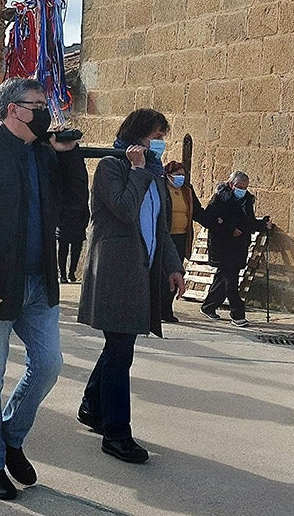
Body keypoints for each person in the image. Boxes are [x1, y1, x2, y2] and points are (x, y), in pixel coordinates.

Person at [0, 77, 88, 501]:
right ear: (12, 109)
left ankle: (11, 436)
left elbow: (73, 208)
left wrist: (67, 158)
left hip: (37, 282)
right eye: (37, 105)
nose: (45, 113)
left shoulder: (43, 155)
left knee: (48, 365)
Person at [77, 109, 185, 464]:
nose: (159, 142)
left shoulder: (154, 176)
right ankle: (117, 434)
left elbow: (160, 226)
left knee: (117, 347)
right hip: (115, 272)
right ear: (138, 136)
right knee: (121, 352)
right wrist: (138, 171)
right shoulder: (112, 167)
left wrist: (173, 266)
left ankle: (92, 407)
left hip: (142, 272)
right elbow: (124, 209)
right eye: (155, 134)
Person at [200, 171, 271, 327]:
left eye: (245, 187)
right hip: (222, 246)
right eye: (239, 187)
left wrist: (262, 225)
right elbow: (209, 219)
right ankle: (237, 314)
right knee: (231, 281)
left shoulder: (246, 200)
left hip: (239, 246)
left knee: (224, 277)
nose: (242, 190)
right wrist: (229, 229)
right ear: (231, 185)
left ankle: (208, 306)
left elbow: (249, 222)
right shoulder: (220, 199)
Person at [161, 160, 207, 322]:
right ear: (168, 175)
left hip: (181, 238)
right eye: (177, 175)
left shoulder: (187, 191)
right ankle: (157, 308)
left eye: (183, 175)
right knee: (161, 275)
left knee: (176, 272)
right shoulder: (161, 189)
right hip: (164, 238)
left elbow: (198, 212)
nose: (181, 178)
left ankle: (166, 309)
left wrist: (217, 223)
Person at [56, 178, 90, 284]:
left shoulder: (80, 195)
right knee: (64, 252)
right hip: (67, 226)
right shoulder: (64, 193)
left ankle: (71, 273)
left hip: (75, 226)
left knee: (74, 252)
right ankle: (63, 274)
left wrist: (83, 224)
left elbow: (86, 211)